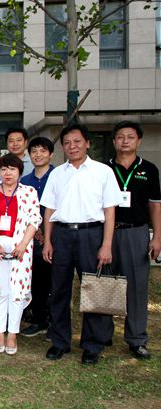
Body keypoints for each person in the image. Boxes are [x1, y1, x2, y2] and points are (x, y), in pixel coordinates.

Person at [41, 124, 122, 365]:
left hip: (91, 234)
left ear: (87, 143)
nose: (72, 146)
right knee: (59, 290)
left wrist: (106, 244)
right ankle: (60, 341)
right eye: (67, 143)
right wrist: (48, 241)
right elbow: (49, 210)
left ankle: (92, 344)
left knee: (94, 289)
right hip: (62, 235)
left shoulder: (103, 171)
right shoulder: (57, 174)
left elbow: (110, 211)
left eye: (77, 141)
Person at [107, 121, 161, 360]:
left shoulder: (148, 169)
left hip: (136, 232)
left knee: (137, 286)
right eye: (120, 137)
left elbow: (155, 206)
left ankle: (137, 338)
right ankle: (103, 334)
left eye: (130, 137)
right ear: (114, 141)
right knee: (105, 282)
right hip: (107, 232)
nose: (125, 141)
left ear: (139, 140)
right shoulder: (104, 168)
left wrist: (157, 236)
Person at [0, 154, 41, 355]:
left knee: (17, 292)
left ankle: (12, 334)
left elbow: (34, 220)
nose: (8, 173)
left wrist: (23, 244)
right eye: (4, 169)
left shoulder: (29, 192)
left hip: (21, 249)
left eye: (12, 169)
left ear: (19, 172)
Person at [20, 137, 55, 337]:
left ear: (51, 154)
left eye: (43, 151)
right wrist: (35, 231)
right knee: (36, 280)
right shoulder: (25, 181)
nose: (38, 155)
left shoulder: (58, 176)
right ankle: (39, 319)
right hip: (32, 237)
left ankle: (55, 322)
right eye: (34, 151)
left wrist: (47, 233)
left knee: (57, 281)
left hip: (57, 236)